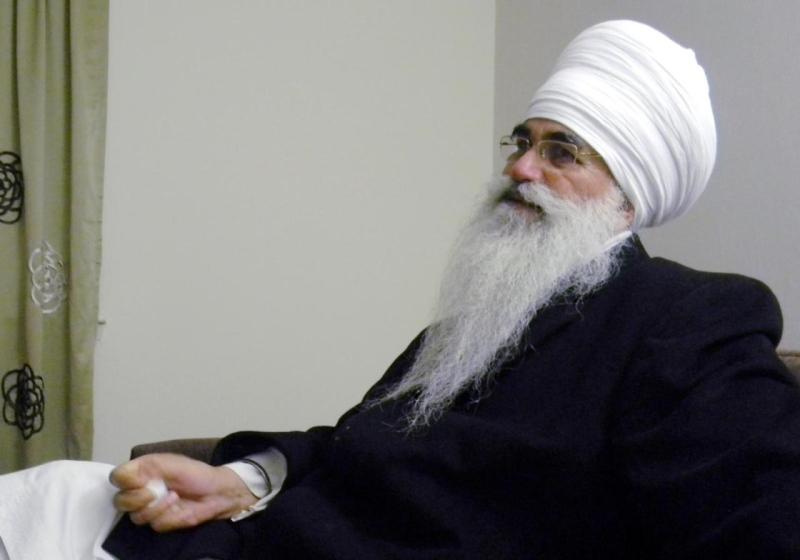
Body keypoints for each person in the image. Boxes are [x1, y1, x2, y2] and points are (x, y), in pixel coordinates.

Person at [1, 19, 799, 560]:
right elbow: (356, 440)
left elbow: (758, 519)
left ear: (631, 193)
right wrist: (240, 479)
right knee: (45, 490)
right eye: (523, 142)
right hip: (245, 539)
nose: (520, 168)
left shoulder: (688, 319)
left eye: (564, 152)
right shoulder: (476, 323)